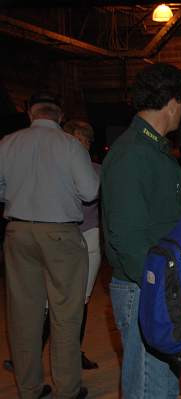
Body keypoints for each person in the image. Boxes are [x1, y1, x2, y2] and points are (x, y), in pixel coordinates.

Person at [0, 93, 98, 399]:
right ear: (60, 115)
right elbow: (90, 191)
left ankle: (29, 389)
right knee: (66, 314)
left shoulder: (7, 143)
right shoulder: (70, 146)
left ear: (30, 113)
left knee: (23, 314)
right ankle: (67, 389)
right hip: (60, 234)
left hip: (17, 231)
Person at [101, 63, 181, 399]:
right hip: (143, 286)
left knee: (161, 382)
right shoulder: (133, 153)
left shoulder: (151, 148)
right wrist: (158, 288)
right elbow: (127, 236)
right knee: (148, 385)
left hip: (153, 282)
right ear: (172, 102)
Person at [63, 119, 101, 370]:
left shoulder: (97, 169)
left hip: (89, 235)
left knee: (82, 300)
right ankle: (33, 352)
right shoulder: (54, 169)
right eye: (78, 139)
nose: (83, 145)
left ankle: (75, 351)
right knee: (52, 300)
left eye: (86, 140)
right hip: (61, 236)